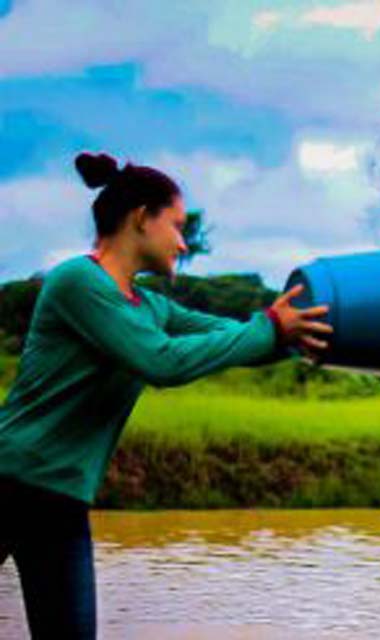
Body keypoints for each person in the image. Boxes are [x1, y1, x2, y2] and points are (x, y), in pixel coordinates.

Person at [0, 152, 333, 638]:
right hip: (11, 480)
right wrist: (268, 328)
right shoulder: (77, 283)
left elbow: (230, 337)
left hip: (61, 498)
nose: (183, 242)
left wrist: (297, 336)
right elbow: (162, 361)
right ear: (141, 218)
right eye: (176, 226)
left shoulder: (150, 306)